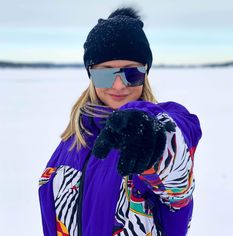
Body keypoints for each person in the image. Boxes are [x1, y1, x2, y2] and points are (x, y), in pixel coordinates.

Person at [38, 7, 202, 236]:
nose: (118, 85)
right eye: (105, 73)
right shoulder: (72, 142)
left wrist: (157, 137)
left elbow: (179, 138)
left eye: (131, 73)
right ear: (90, 74)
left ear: (145, 75)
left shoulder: (153, 131)